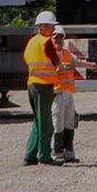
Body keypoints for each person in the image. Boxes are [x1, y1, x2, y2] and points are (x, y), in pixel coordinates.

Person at [21, 10, 63, 167]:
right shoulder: (46, 42)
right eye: (52, 26)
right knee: (46, 123)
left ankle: (30, 155)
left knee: (38, 121)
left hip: (32, 84)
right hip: (43, 86)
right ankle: (44, 156)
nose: (53, 30)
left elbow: (26, 59)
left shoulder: (32, 42)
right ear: (43, 26)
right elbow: (56, 63)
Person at [52, 25, 95, 163]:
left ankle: (68, 152)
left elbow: (76, 63)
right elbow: (53, 69)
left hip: (68, 92)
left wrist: (90, 65)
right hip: (57, 93)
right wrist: (64, 67)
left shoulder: (66, 53)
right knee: (57, 123)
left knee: (69, 122)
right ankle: (56, 153)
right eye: (56, 37)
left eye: (60, 37)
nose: (58, 40)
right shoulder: (50, 53)